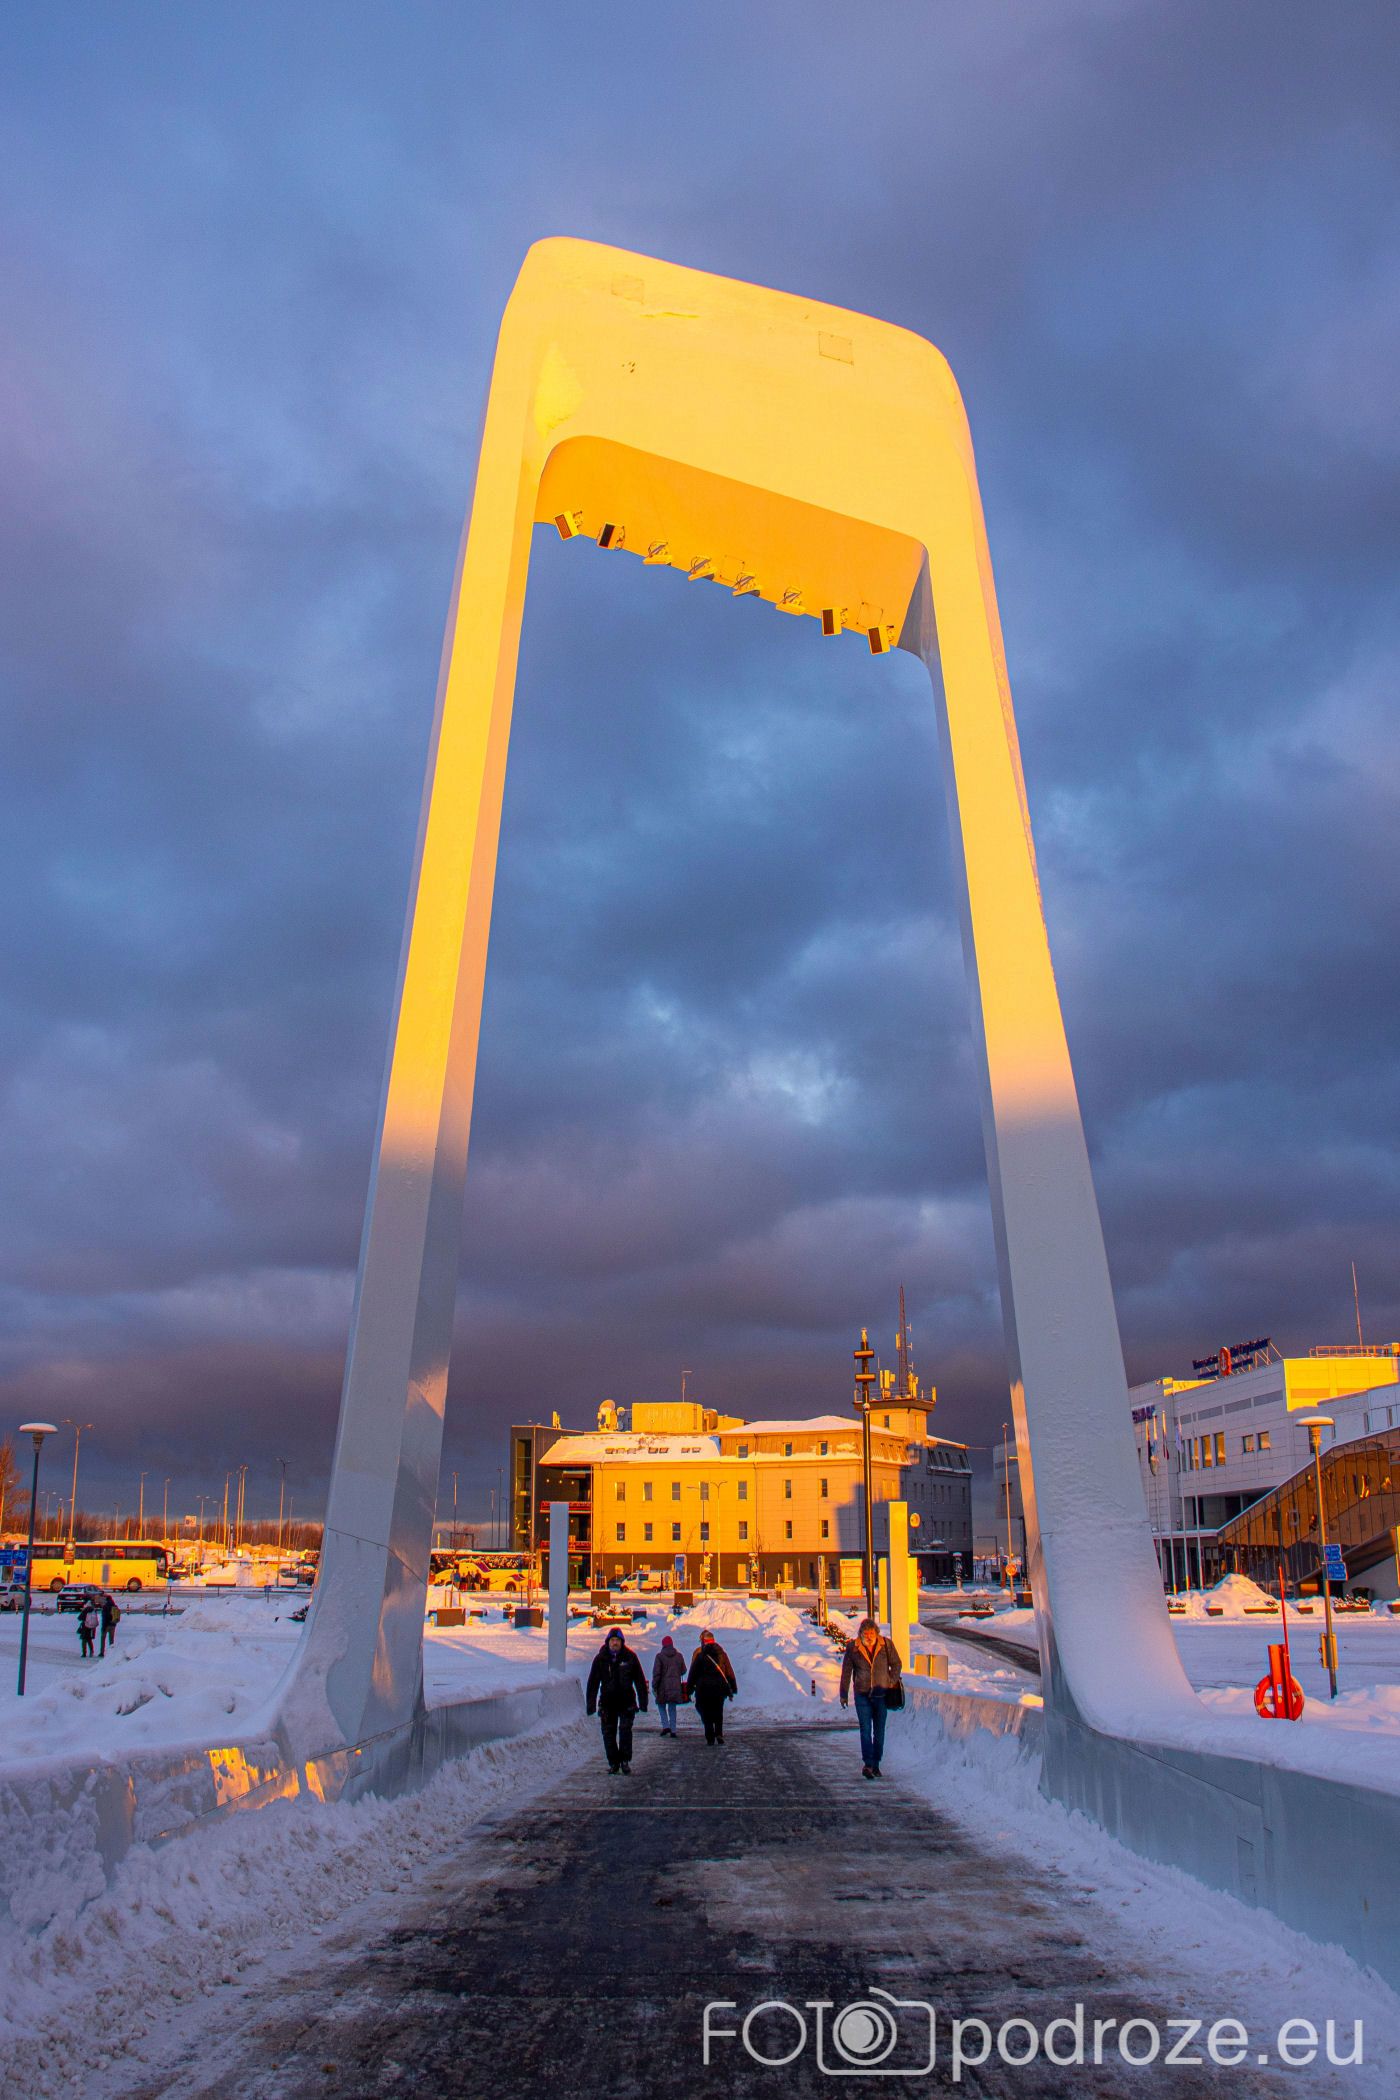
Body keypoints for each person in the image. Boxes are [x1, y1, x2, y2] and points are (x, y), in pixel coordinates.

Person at [839, 1616, 903, 1779]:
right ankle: (868, 1764)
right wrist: (843, 1694)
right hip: (862, 1694)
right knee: (865, 1729)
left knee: (879, 1731)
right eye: (865, 1633)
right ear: (861, 1633)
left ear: (876, 1633)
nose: (869, 1636)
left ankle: (876, 1763)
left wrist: (891, 1681)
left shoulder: (886, 1645)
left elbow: (897, 1663)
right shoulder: (853, 1648)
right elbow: (846, 1672)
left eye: (871, 1633)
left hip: (881, 1694)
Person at [585, 1627, 649, 1773]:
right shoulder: (600, 1659)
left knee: (625, 1732)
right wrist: (591, 1705)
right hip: (608, 1703)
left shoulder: (630, 1657)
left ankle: (625, 1761)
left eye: (617, 1640)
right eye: (612, 1640)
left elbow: (639, 1680)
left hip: (627, 1702)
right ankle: (614, 1763)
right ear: (608, 1642)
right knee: (608, 1733)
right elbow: (593, 1683)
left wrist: (643, 1702)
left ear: (622, 1642)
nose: (615, 1643)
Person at [686, 1628, 737, 1744]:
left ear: (704, 1641)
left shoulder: (701, 1656)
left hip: (704, 1689)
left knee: (706, 1712)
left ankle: (710, 1736)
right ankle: (718, 1733)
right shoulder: (722, 1654)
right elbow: (729, 1671)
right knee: (718, 1711)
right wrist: (732, 1688)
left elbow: (693, 1673)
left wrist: (689, 1689)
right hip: (719, 1689)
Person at [651, 1633, 686, 1736]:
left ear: (663, 1645)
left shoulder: (659, 1656)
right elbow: (684, 1670)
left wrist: (654, 1685)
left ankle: (666, 1726)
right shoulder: (679, 1656)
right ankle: (673, 1730)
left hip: (662, 1688)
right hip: (675, 1687)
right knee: (672, 1707)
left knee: (661, 1705)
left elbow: (656, 1673)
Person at [99, 1591, 121, 1657]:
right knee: (111, 1640)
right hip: (113, 1625)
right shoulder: (114, 1606)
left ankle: (102, 1652)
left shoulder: (105, 1607)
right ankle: (111, 1653)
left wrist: (103, 1627)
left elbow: (105, 1617)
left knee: (103, 1639)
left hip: (106, 1625)